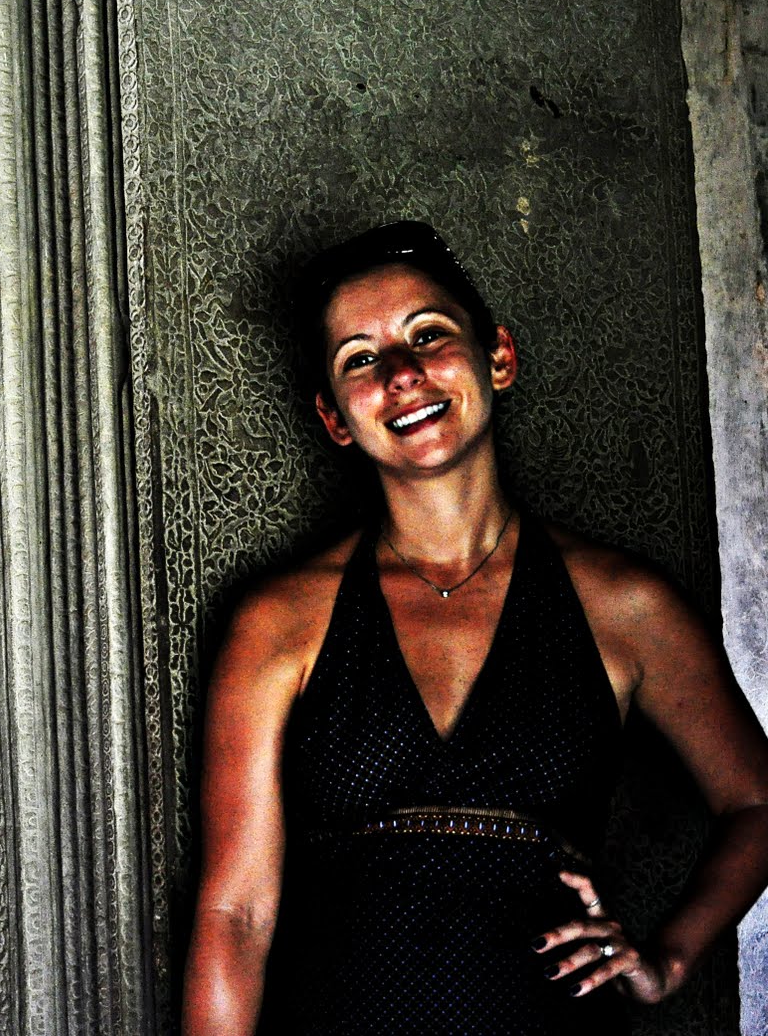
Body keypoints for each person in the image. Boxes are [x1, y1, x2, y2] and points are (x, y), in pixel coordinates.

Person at [182, 221, 768, 1036]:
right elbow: (236, 914)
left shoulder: (624, 605)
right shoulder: (282, 620)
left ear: (499, 356)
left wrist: (666, 961)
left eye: (428, 334)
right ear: (334, 417)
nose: (402, 373)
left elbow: (756, 801)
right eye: (360, 358)